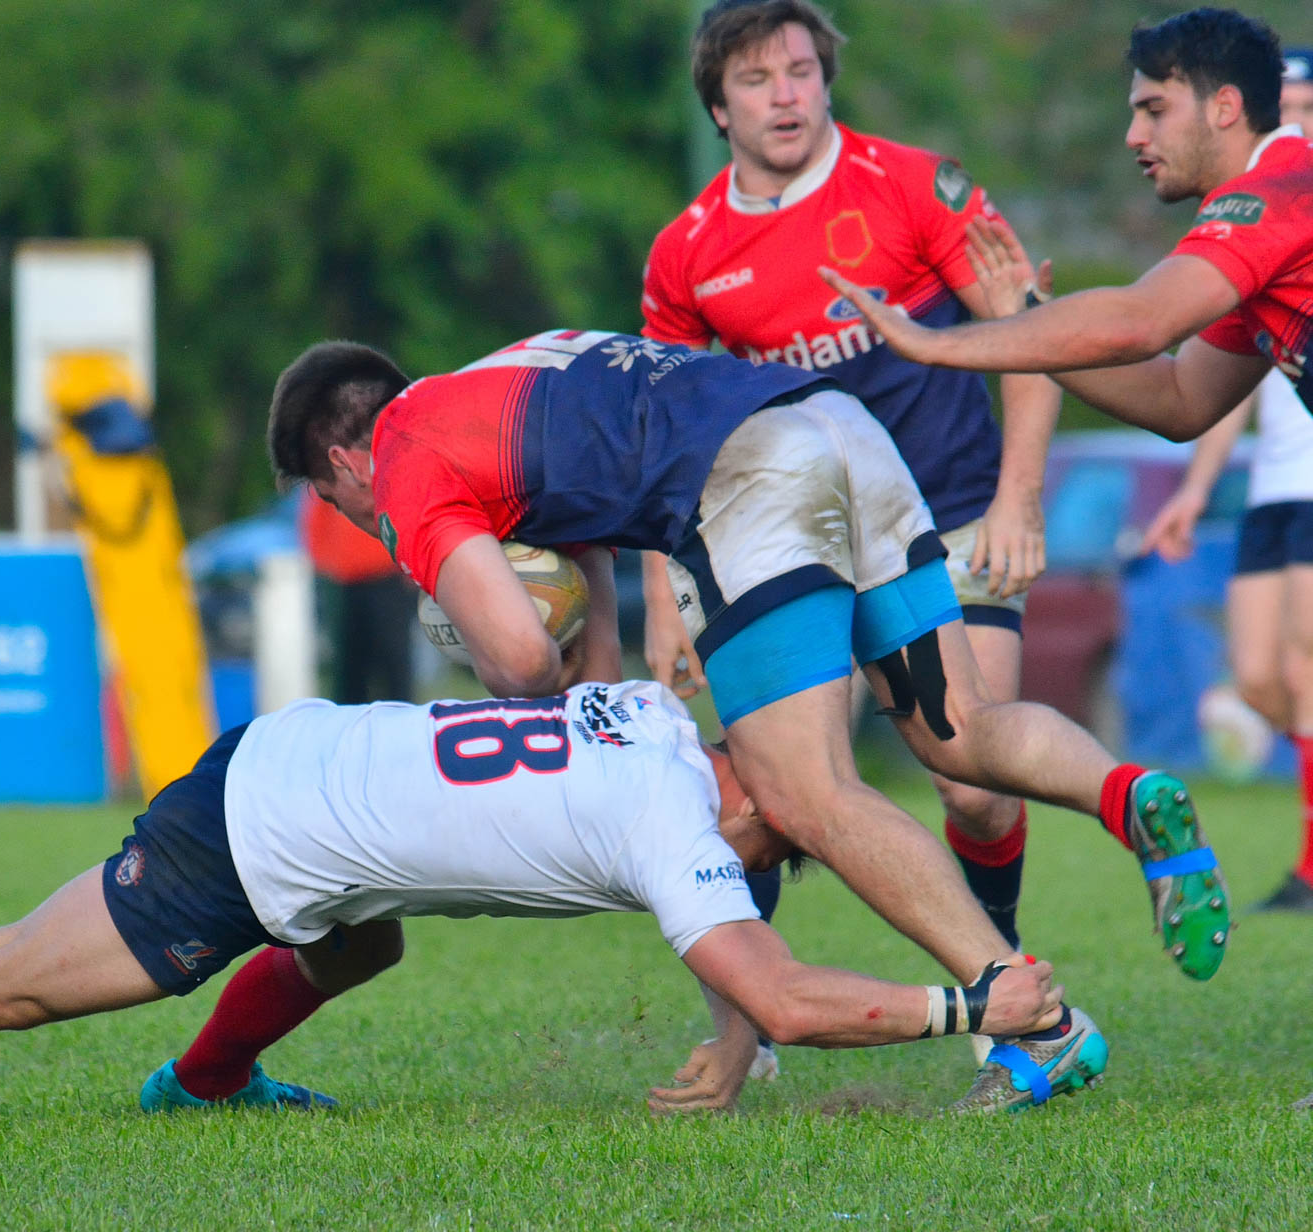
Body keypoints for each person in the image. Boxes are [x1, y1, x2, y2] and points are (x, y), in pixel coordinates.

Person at [264, 330, 1230, 1110]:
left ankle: (1037, 1025)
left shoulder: (400, 463)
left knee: (809, 795)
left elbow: (518, 659)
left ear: (342, 462)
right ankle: (1126, 789)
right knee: (958, 729)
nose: (352, 512)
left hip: (748, 479)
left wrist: (486, 641)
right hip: (841, 427)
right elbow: (590, 611)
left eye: (328, 497)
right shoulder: (496, 383)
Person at [0, 680, 1083, 1120]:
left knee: (363, 934)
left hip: (311, 762)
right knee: (2, 983)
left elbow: (733, 895)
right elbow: (772, 974)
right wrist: (972, 998)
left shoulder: (657, 723)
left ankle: (204, 1081)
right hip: (259, 827)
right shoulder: (674, 824)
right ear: (762, 804)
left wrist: (732, 1030)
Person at [640, 0, 1061, 966]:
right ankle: (754, 1016)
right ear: (718, 108)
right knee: (764, 793)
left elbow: (1032, 336)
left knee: (975, 782)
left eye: (799, 71)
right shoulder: (689, 252)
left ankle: (1000, 969)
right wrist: (667, 600)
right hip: (796, 550)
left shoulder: (914, 186)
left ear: (827, 78)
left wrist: (1020, 497)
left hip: (952, 514)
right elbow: (666, 437)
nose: (784, 96)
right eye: (756, 80)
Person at [821, 8, 1313, 444]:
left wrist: (931, 343)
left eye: (1155, 110)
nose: (1134, 136)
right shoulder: (1262, 232)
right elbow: (1181, 400)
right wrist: (1026, 314)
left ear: (1224, 108)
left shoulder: (1278, 193)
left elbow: (1139, 321)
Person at [1136, 44, 1313, 915]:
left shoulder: (1293, 193)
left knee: (1308, 665)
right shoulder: (1259, 234)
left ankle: (1311, 870)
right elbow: (1211, 391)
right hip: (1272, 485)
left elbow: (1145, 318)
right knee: (1257, 677)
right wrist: (1196, 491)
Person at [301, 490, 418, 703]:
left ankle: (402, 721)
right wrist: (324, 562)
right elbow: (316, 518)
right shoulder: (332, 465)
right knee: (349, 666)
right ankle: (351, 726)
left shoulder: (386, 467)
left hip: (388, 575)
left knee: (394, 662)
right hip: (345, 580)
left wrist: (412, 561)